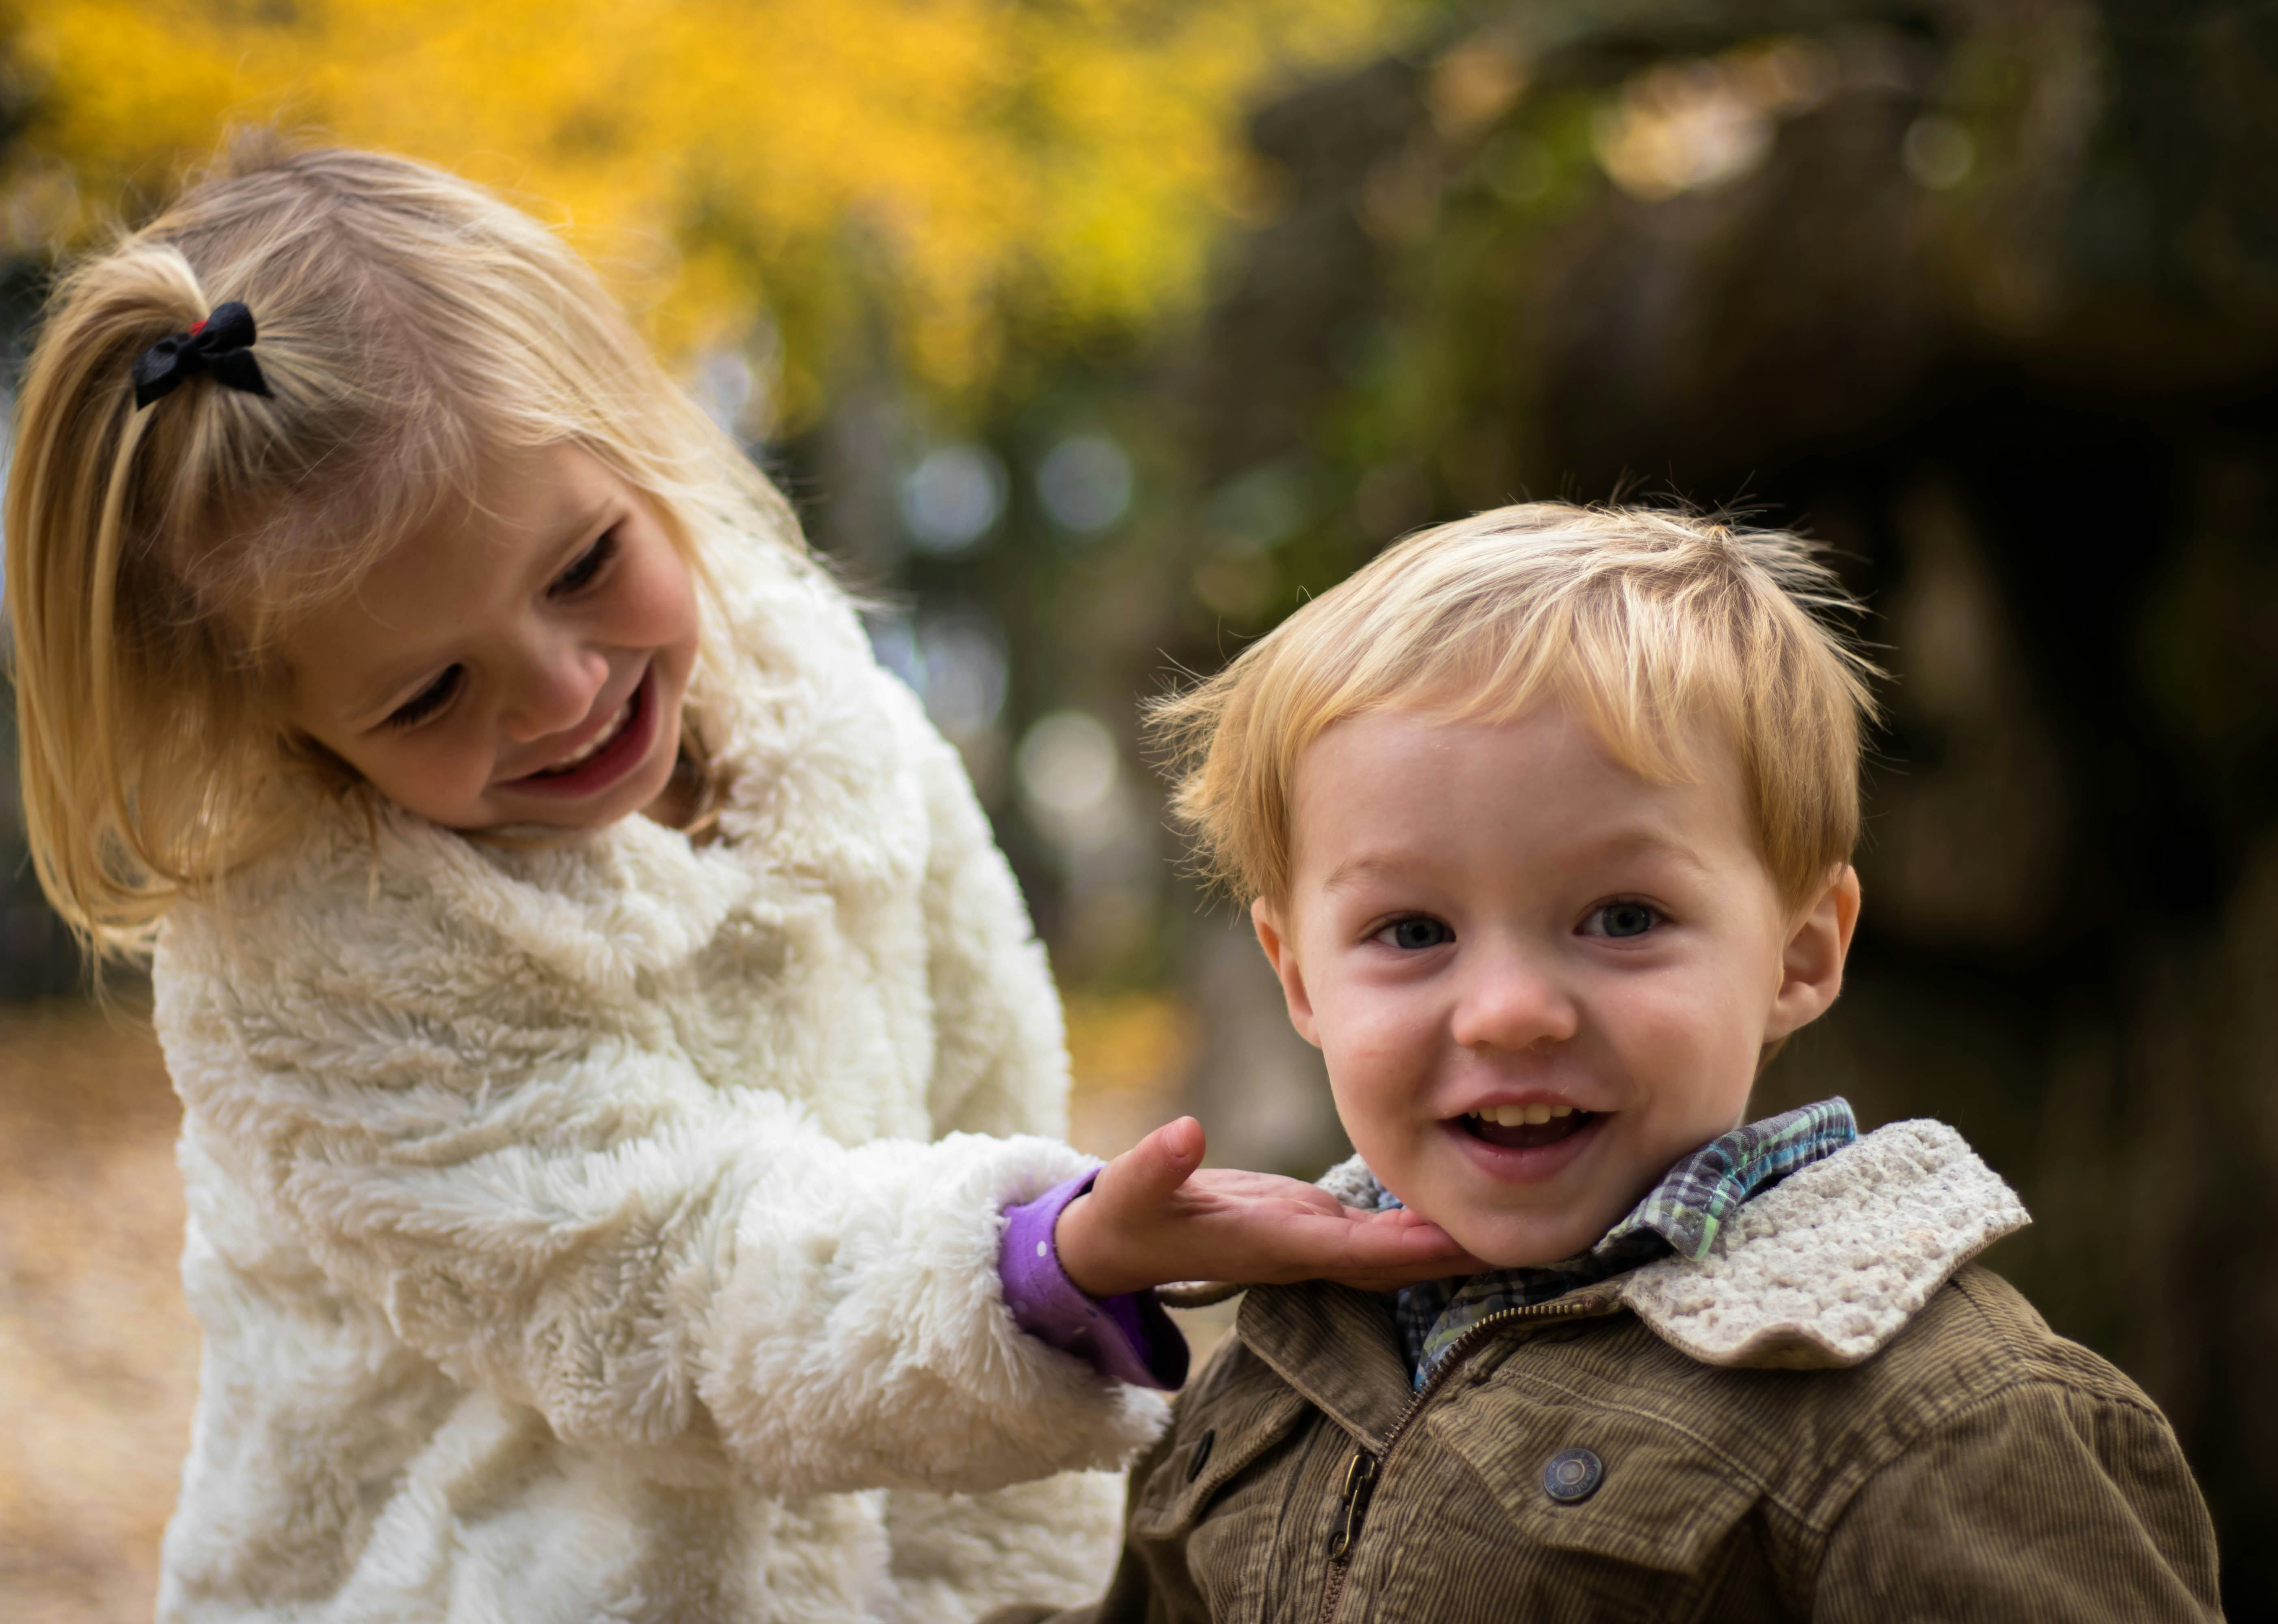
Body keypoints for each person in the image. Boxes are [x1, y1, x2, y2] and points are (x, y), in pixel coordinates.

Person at [1, 139, 1471, 1622]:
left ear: (645, 450)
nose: (562, 693)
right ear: (287, 725)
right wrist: (1035, 1267)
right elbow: (659, 1293)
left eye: (583, 565)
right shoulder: (311, 957)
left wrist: (1002, 1561)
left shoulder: (818, 716)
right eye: (430, 693)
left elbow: (982, 1062)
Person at [994, 503, 2225, 1622]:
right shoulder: (1285, 1353)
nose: (1512, 1014)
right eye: (1413, 933)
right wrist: (1044, 1274)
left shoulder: (1940, 1422)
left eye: (1623, 919)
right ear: (1300, 976)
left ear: (1798, 955)